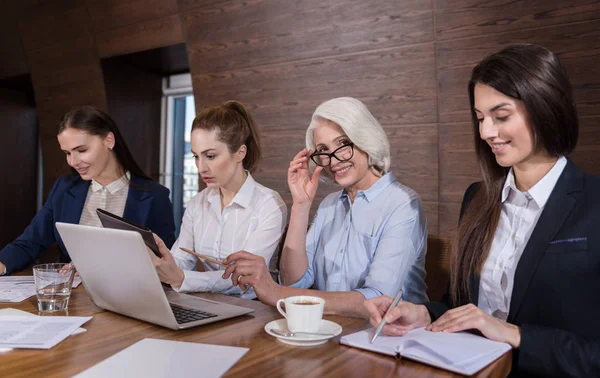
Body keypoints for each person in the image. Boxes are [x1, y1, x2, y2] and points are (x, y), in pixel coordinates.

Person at [364, 44, 600, 377]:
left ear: (545, 106)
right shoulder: (477, 198)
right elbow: (461, 305)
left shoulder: (594, 202)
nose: (486, 132)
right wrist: (424, 314)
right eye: (480, 118)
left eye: (501, 116)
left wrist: (516, 336)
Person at [221, 97, 428, 318]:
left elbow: (378, 299)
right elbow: (294, 281)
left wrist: (278, 294)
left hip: (389, 337)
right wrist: (301, 205)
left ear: (365, 138)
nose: (334, 160)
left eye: (342, 144)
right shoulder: (330, 204)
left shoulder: (403, 203)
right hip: (330, 330)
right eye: (324, 150)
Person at [0, 106, 176, 275]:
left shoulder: (154, 196)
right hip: (74, 300)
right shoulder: (64, 188)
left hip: (129, 298)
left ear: (109, 140)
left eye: (81, 150)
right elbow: (30, 242)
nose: (73, 162)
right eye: (67, 153)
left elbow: (166, 264)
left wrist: (98, 267)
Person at [150, 100, 287, 299]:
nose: (201, 167)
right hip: (208, 303)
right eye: (196, 156)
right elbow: (182, 258)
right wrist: (162, 263)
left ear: (240, 152)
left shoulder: (270, 206)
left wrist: (182, 279)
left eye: (211, 156)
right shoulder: (198, 203)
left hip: (253, 310)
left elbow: (243, 280)